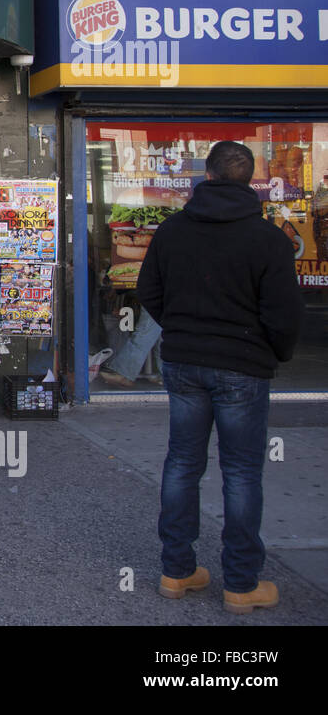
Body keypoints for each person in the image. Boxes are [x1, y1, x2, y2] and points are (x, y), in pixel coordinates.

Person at [138, 141, 302, 614]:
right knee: (243, 472)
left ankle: (176, 570)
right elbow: (286, 314)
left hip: (184, 362)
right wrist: (275, 352)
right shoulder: (267, 238)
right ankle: (241, 583)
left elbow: (148, 289)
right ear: (250, 180)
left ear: (206, 176)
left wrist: (183, 328)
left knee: (182, 464)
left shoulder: (173, 230)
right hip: (243, 368)